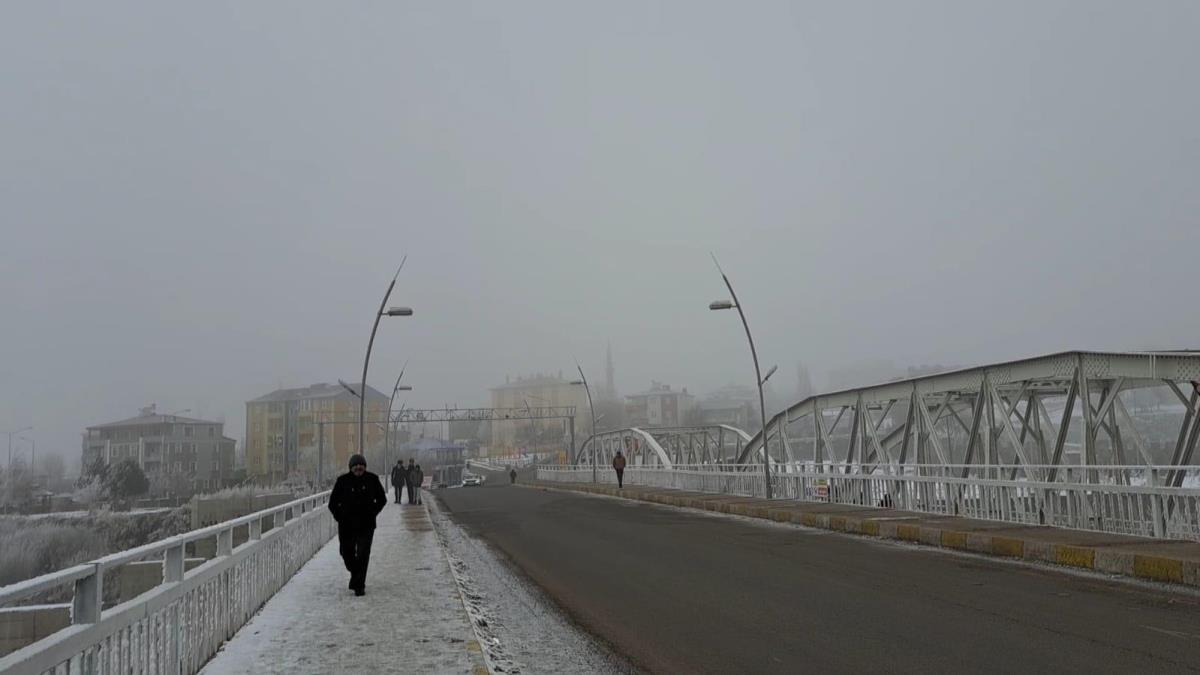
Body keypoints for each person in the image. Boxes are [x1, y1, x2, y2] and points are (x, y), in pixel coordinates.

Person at [328, 454, 387, 596]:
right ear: (351, 467)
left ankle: (359, 586)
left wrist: (373, 512)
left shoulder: (372, 479)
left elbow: (382, 499)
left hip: (366, 525)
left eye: (361, 466)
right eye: (356, 466)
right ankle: (356, 575)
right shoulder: (342, 481)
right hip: (346, 526)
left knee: (363, 555)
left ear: (365, 467)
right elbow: (332, 504)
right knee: (346, 554)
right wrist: (340, 517)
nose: (359, 468)